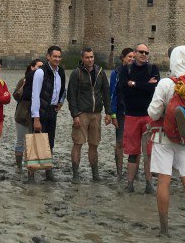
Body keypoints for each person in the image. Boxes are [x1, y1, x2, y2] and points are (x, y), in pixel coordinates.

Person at [147, 45, 185, 238]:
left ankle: (164, 228)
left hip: (164, 136)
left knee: (164, 180)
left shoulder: (166, 83)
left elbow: (153, 112)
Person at [66, 46, 111, 182]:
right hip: (82, 113)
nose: (90, 59)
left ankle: (95, 174)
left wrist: (108, 113)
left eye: (91, 57)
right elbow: (71, 95)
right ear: (82, 58)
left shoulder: (100, 72)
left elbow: (106, 93)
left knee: (94, 144)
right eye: (87, 57)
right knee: (78, 143)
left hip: (96, 113)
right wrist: (75, 115)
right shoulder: (76, 73)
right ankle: (75, 174)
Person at [120, 43, 159, 193]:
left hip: (149, 115)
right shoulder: (126, 69)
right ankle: (130, 183)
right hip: (131, 115)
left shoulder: (153, 69)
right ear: (134, 53)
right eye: (141, 52)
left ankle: (149, 184)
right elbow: (124, 88)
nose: (144, 55)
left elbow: (153, 88)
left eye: (146, 53)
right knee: (132, 151)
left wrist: (134, 84)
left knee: (149, 152)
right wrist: (144, 85)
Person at [29, 45, 66, 183]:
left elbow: (62, 90)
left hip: (52, 110)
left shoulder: (60, 72)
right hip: (40, 111)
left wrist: (60, 103)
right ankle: (31, 174)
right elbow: (35, 95)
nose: (57, 59)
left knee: (50, 143)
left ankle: (48, 172)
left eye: (59, 56)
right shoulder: (40, 72)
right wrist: (36, 117)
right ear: (48, 56)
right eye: (54, 56)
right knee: (36, 141)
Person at [12, 58, 42, 169]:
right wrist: (23, 87)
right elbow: (15, 96)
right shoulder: (23, 80)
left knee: (33, 141)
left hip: (36, 116)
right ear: (32, 67)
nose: (40, 69)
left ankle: (32, 165)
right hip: (23, 114)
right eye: (38, 67)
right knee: (20, 141)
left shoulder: (43, 80)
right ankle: (19, 166)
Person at [109, 47, 135, 177]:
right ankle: (119, 171)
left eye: (133, 57)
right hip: (121, 112)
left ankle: (133, 172)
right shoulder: (116, 73)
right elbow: (112, 94)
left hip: (134, 112)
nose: (131, 59)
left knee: (135, 143)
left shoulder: (138, 72)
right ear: (123, 58)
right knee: (119, 142)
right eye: (129, 57)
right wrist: (112, 114)